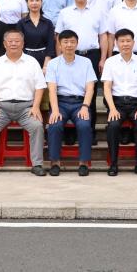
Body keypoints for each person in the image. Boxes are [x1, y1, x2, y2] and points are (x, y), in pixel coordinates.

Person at [0, 29, 48, 177]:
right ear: (4, 44)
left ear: (23, 43)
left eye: (17, 41)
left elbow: (40, 87)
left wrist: (36, 107)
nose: (13, 43)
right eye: (10, 41)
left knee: (37, 126)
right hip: (2, 108)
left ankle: (37, 164)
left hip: (26, 108)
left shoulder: (32, 62)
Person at [100, 29, 137, 176]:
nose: (125, 44)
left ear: (133, 42)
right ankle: (113, 164)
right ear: (116, 43)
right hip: (116, 103)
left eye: (128, 41)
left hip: (136, 104)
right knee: (113, 126)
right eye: (122, 41)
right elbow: (107, 87)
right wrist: (112, 109)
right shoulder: (110, 62)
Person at [45, 30, 97, 176]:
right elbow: (51, 89)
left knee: (84, 125)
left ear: (77, 44)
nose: (69, 45)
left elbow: (90, 88)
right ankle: (55, 162)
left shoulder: (86, 62)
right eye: (65, 42)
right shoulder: (53, 64)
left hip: (80, 103)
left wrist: (85, 107)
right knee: (54, 125)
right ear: (59, 45)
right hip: (60, 102)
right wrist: (55, 110)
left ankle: (83, 163)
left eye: (72, 42)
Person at [55, 0, 108, 79]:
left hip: (93, 55)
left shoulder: (98, 12)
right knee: (70, 85)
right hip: (70, 55)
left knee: (91, 85)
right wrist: (59, 59)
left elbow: (103, 36)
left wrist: (103, 59)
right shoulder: (64, 13)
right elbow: (59, 37)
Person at [17, 0, 56, 69]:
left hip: (44, 59)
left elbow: (50, 44)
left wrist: (46, 65)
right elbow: (19, 44)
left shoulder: (48, 23)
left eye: (37, 0)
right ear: (27, 3)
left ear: (41, 2)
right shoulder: (21, 23)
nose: (34, 3)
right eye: (31, 0)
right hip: (26, 58)